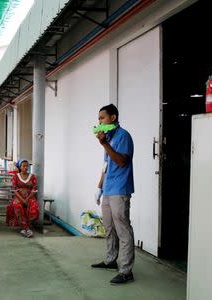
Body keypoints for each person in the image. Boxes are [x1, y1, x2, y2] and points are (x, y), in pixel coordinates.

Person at [91, 103, 135, 285]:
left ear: (113, 118)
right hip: (108, 189)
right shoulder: (109, 136)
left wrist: (104, 144)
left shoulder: (123, 136)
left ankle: (126, 271)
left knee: (123, 229)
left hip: (120, 189)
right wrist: (99, 187)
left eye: (102, 118)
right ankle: (111, 260)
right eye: (98, 118)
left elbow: (122, 161)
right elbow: (106, 166)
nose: (99, 121)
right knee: (108, 227)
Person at [6, 159, 39, 238]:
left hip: (30, 196)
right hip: (19, 197)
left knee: (34, 206)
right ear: (20, 167)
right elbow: (14, 190)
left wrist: (27, 199)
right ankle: (26, 228)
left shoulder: (32, 176)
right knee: (16, 205)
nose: (26, 167)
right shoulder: (15, 177)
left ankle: (27, 227)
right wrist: (22, 199)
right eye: (23, 166)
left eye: (27, 166)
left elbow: (34, 190)